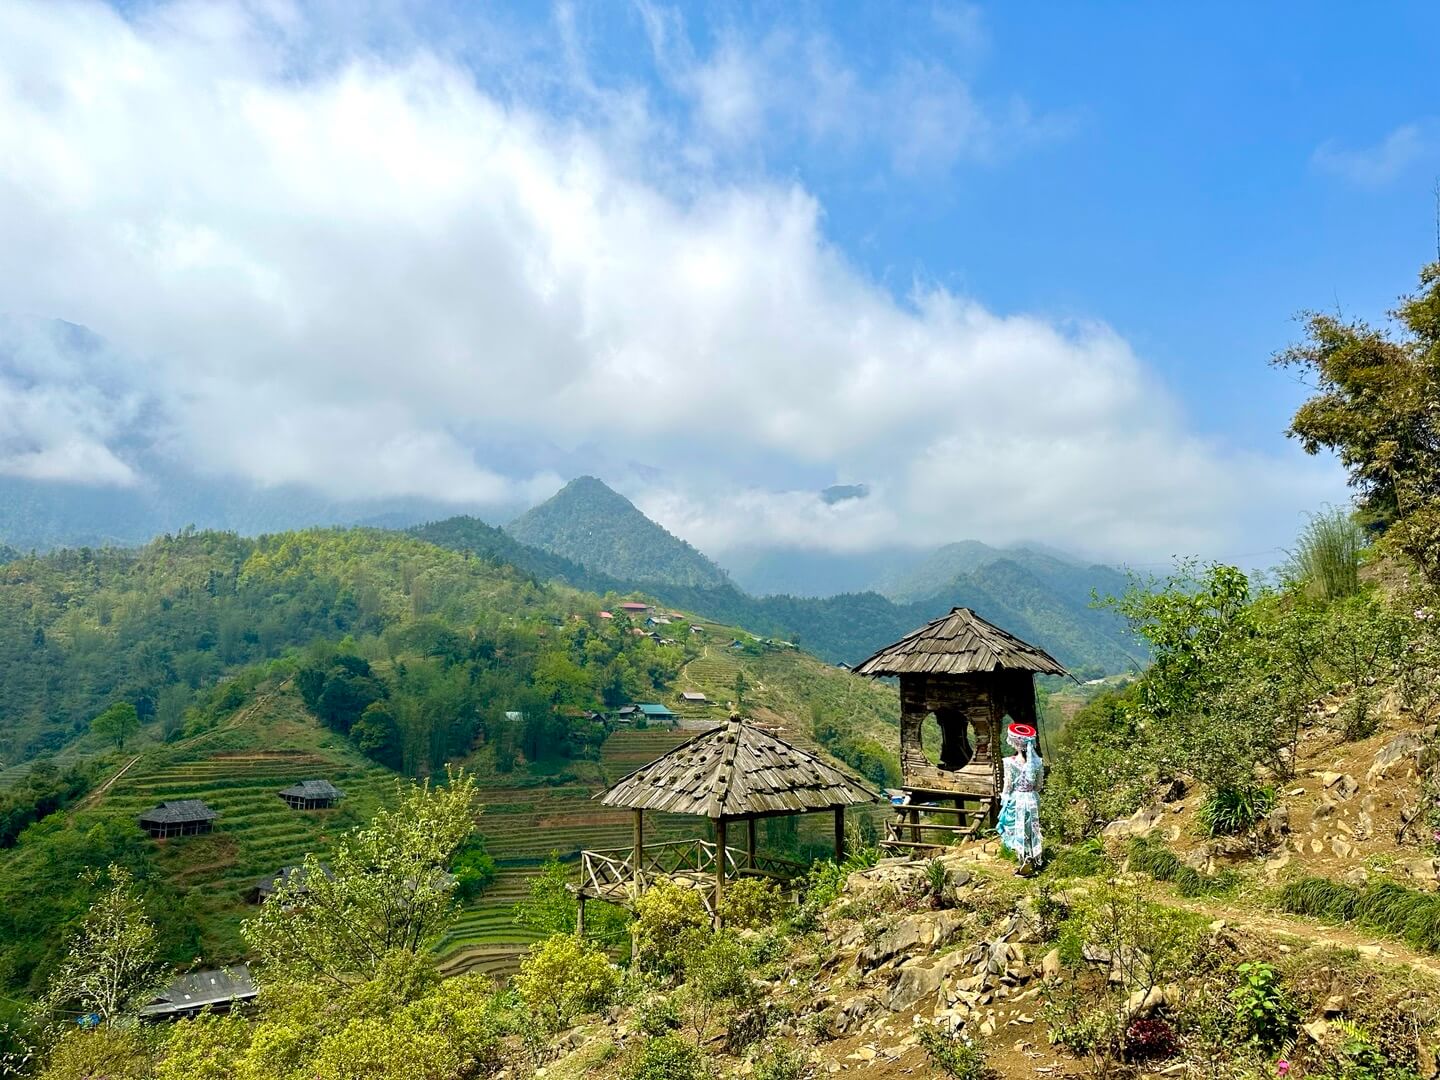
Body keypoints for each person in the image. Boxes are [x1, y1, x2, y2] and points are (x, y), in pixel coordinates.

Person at [997, 721, 1044, 875]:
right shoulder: (1037, 763)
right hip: (1032, 798)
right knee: (1032, 829)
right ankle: (1033, 858)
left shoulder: (1010, 762)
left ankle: (1024, 860)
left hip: (1017, 799)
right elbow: (1038, 785)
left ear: (1016, 743)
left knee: (1017, 827)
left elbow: (1008, 784)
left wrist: (1004, 798)